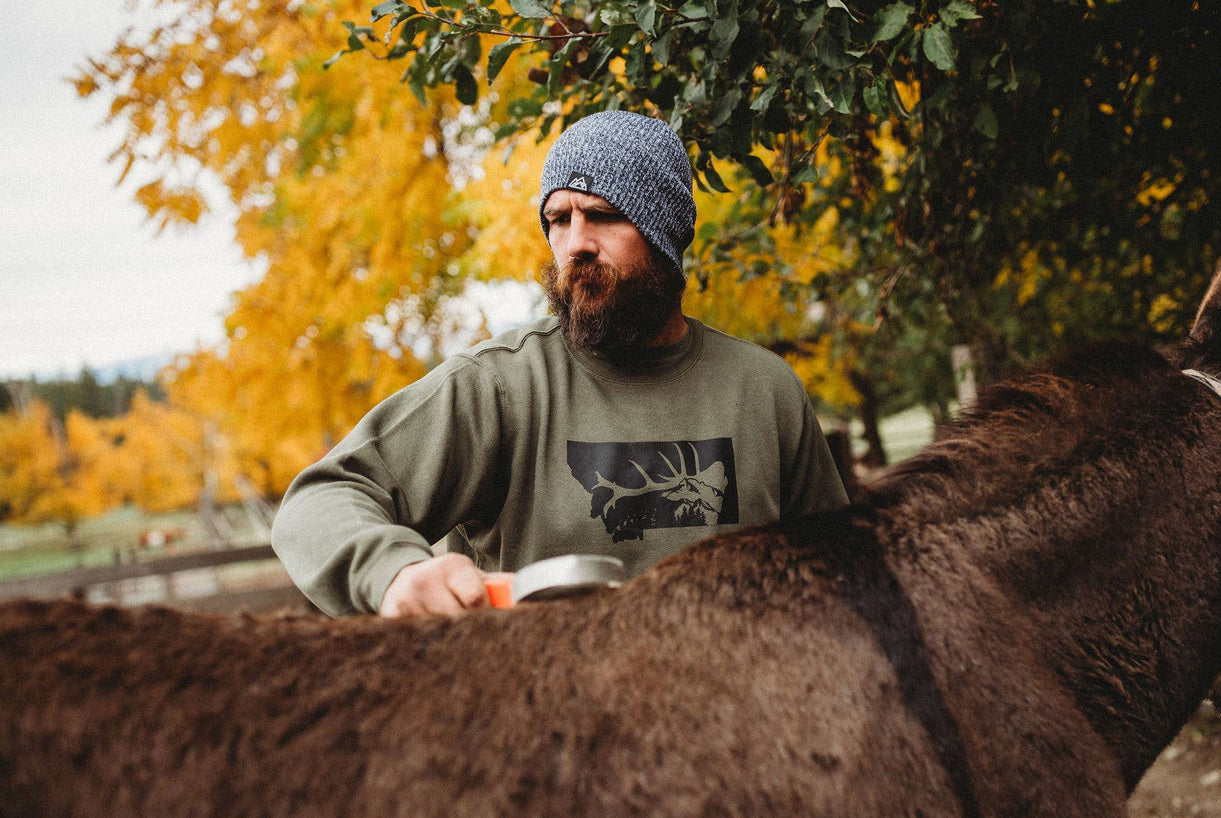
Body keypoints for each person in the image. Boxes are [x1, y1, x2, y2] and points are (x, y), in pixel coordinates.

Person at [271, 110, 850, 617]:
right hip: (547, 726)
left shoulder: (764, 391)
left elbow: (843, 577)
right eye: (558, 219)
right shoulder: (501, 387)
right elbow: (321, 497)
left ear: (664, 233)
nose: (575, 243)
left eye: (601, 215)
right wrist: (392, 571)